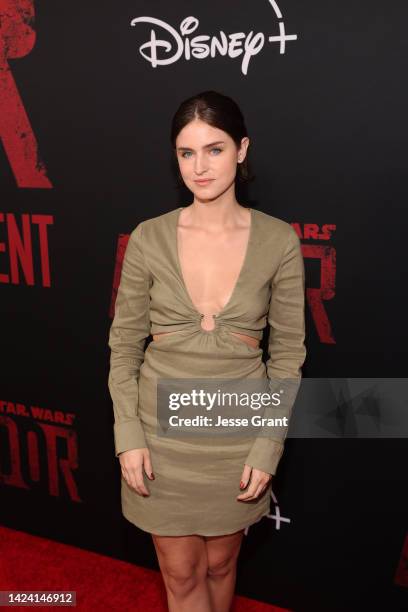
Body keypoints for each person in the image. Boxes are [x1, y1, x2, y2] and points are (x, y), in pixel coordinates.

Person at [108, 90, 307, 612]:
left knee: (221, 565)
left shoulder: (279, 241)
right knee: (180, 575)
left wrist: (269, 446)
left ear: (242, 150)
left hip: (237, 437)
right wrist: (127, 435)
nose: (200, 167)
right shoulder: (149, 239)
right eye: (186, 153)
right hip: (159, 437)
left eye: (214, 149)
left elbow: (287, 356)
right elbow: (124, 346)